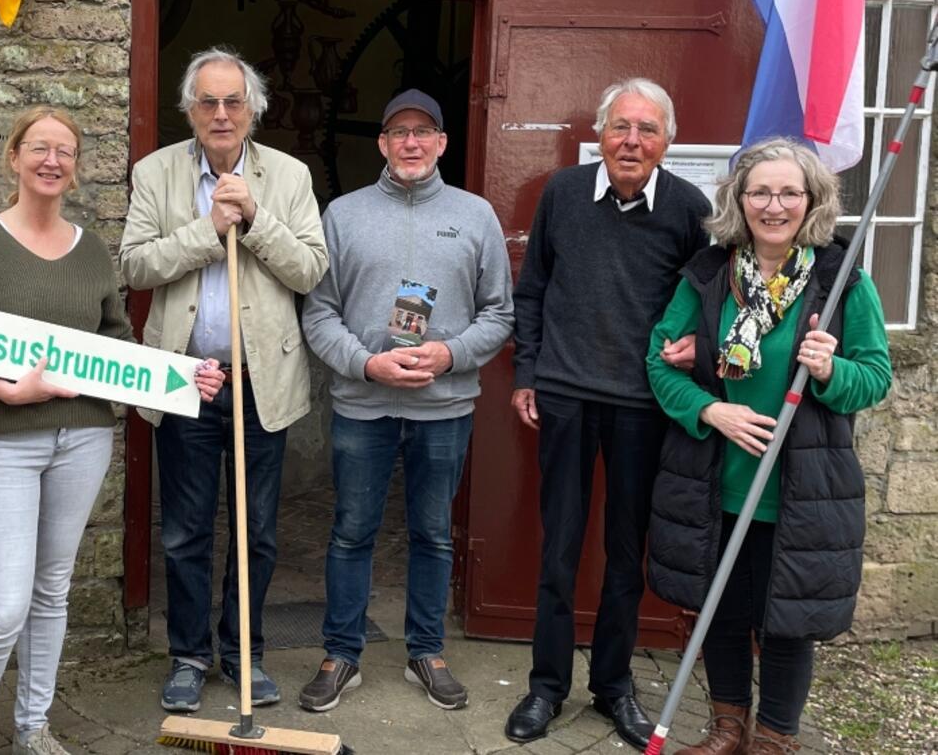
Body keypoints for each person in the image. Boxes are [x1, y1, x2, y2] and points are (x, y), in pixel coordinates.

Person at [0, 106, 225, 755]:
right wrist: (9, 390)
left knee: (51, 591)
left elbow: (115, 347)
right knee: (4, 604)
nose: (52, 160)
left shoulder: (92, 249)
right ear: (15, 157)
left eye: (64, 151)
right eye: (39, 147)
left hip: (83, 438)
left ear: (76, 167)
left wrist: (185, 377)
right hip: (3, 438)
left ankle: (33, 727)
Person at [646, 138, 891, 755]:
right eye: (759, 192)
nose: (773, 205)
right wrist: (712, 409)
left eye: (788, 193)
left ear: (811, 200)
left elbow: (875, 377)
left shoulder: (840, 281)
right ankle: (728, 727)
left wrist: (831, 370)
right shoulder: (709, 275)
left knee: (787, 622)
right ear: (739, 199)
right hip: (716, 479)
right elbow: (659, 361)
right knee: (720, 608)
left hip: (800, 488)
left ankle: (775, 739)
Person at [121, 47, 328, 712]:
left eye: (232, 101)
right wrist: (209, 229)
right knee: (184, 531)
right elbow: (135, 266)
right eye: (207, 102)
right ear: (189, 109)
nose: (220, 113)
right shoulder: (156, 173)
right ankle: (188, 655)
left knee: (256, 531)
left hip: (259, 380)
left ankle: (243, 654)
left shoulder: (289, 176)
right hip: (185, 377)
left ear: (252, 110)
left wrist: (256, 220)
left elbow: (310, 269)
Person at [505, 78, 710, 749]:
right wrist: (528, 372)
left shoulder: (689, 208)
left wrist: (697, 347)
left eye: (647, 129)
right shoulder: (563, 193)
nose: (631, 140)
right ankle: (546, 686)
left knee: (626, 552)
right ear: (600, 133)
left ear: (666, 142)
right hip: (565, 395)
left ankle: (614, 685)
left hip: (644, 404)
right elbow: (532, 289)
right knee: (560, 547)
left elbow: (708, 303)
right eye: (620, 126)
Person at [299, 89, 514, 712]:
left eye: (423, 132)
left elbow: (500, 313)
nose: (411, 142)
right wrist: (366, 364)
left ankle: (427, 652)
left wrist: (450, 354)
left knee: (433, 533)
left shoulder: (475, 215)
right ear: (383, 144)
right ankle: (341, 654)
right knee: (351, 532)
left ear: (442, 143)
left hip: (444, 406)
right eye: (399, 132)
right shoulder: (343, 215)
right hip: (362, 404)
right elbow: (319, 313)